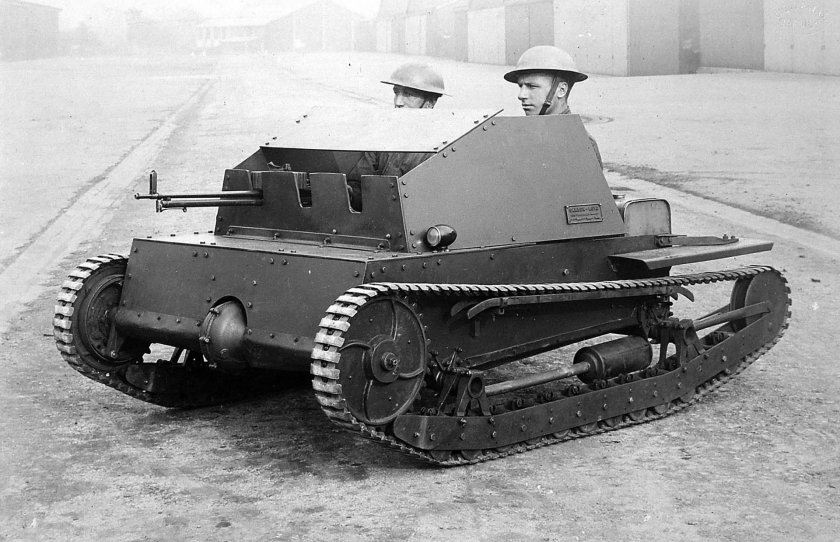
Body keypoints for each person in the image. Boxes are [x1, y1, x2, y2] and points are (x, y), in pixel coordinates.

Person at [346, 63, 448, 209]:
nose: (398, 102)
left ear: (429, 103)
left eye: (408, 95)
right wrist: (350, 194)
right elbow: (358, 184)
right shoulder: (383, 138)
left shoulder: (441, 148)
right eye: (396, 93)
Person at [504, 45, 602, 168]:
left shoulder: (580, 143)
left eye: (532, 86)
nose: (521, 95)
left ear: (561, 90)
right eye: (520, 86)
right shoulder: (526, 135)